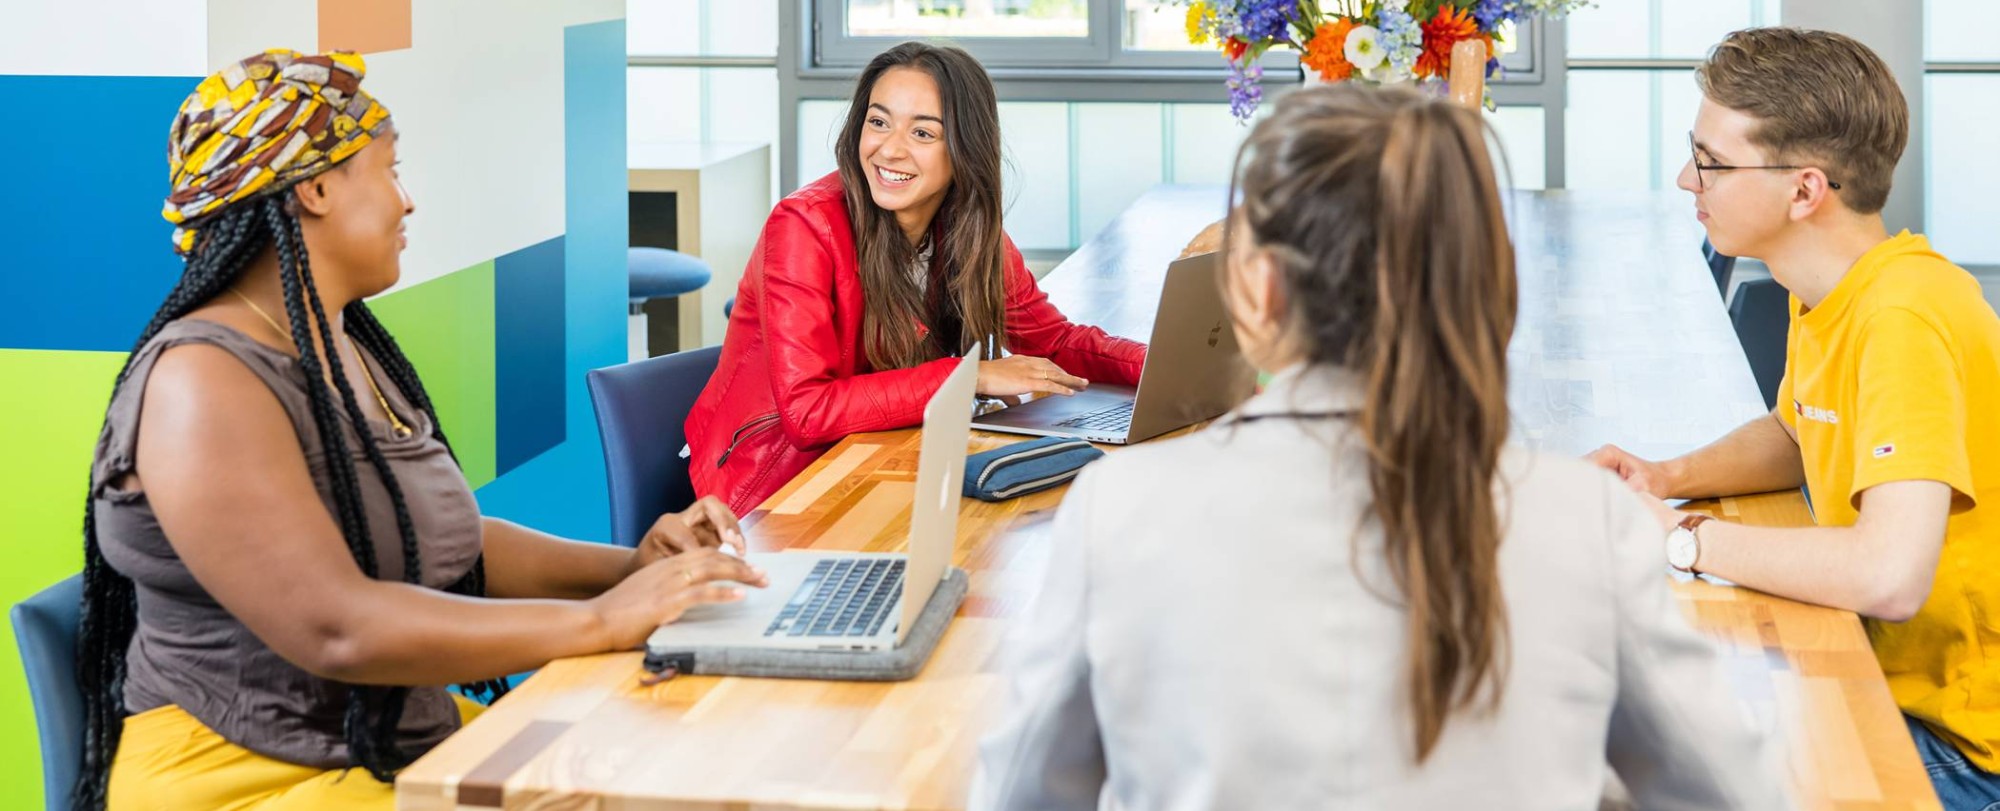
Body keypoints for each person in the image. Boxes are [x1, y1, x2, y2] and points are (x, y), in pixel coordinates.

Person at [970, 83, 1786, 809]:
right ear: (1491, 285)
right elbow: (1730, 792)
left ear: (1252, 290)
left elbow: (1028, 793)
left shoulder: (1119, 509)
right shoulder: (1589, 523)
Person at [79, 49, 767, 810]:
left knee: (693, 763)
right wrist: (601, 621)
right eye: (389, 168)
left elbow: (448, 538)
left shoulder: (341, 343)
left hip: (383, 738)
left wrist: (629, 568)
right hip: (251, 775)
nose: (407, 202)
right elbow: (336, 628)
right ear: (313, 187)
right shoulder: (201, 381)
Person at [1585, 28, 2000, 809]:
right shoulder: (1836, 291)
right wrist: (1667, 476)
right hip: (1900, 686)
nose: (1685, 178)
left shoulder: (1903, 317)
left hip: (1962, 750)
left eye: (1710, 161)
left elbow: (1888, 575)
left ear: (1804, 191)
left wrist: (1679, 539)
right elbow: (1797, 432)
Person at [684, 41, 1147, 515]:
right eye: (878, 122)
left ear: (965, 148)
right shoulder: (804, 226)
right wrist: (973, 377)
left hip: (882, 461)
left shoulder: (967, 226)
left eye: (923, 133)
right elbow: (808, 413)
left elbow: (1054, 340)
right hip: (774, 491)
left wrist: (1163, 367)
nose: (889, 149)